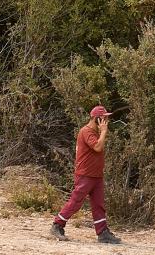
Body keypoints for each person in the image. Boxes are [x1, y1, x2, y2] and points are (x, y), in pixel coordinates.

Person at [50, 105, 122, 244]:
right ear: (96, 119)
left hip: (96, 175)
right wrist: (104, 132)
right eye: (104, 118)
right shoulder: (86, 131)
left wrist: (101, 132)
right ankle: (57, 225)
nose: (106, 121)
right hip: (85, 174)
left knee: (98, 204)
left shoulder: (95, 132)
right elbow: (97, 147)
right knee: (76, 201)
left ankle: (103, 233)